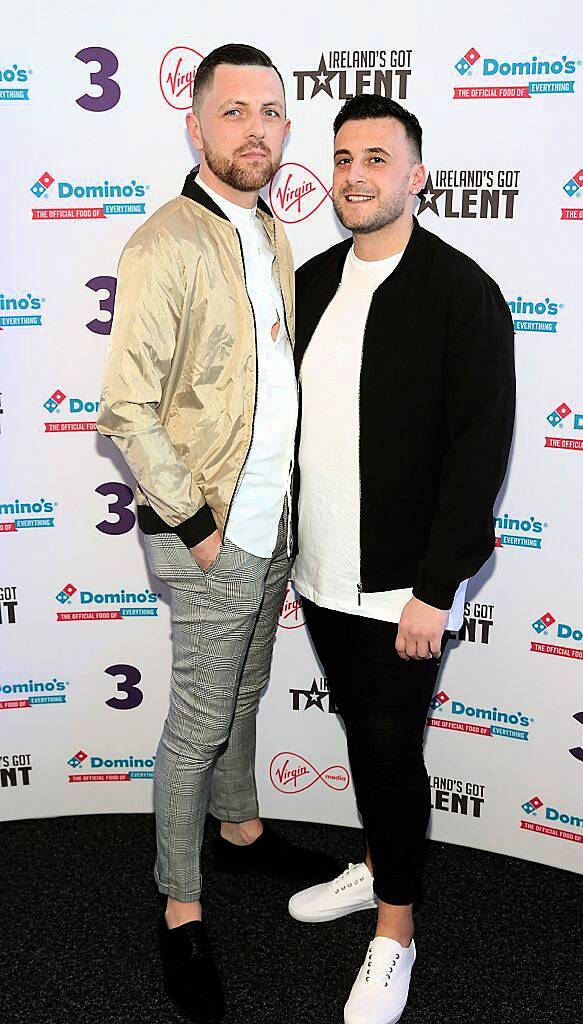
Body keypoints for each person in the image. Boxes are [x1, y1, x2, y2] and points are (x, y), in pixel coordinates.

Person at [97, 43, 336, 1024]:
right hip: (210, 529)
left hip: (272, 512)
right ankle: (180, 902)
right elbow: (125, 407)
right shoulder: (165, 243)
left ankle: (238, 830)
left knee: (242, 687)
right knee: (197, 721)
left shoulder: (268, 225)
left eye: (271, 111)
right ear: (195, 125)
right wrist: (198, 530)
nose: (256, 128)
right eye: (233, 110)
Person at [288, 94, 515, 1024]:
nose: (355, 175)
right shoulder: (307, 282)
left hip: (407, 588)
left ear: (417, 175)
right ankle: (379, 861)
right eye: (343, 158)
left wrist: (436, 588)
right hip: (320, 571)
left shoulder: (463, 292)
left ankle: (395, 931)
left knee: (386, 751)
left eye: (378, 157)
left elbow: (479, 450)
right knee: (365, 737)